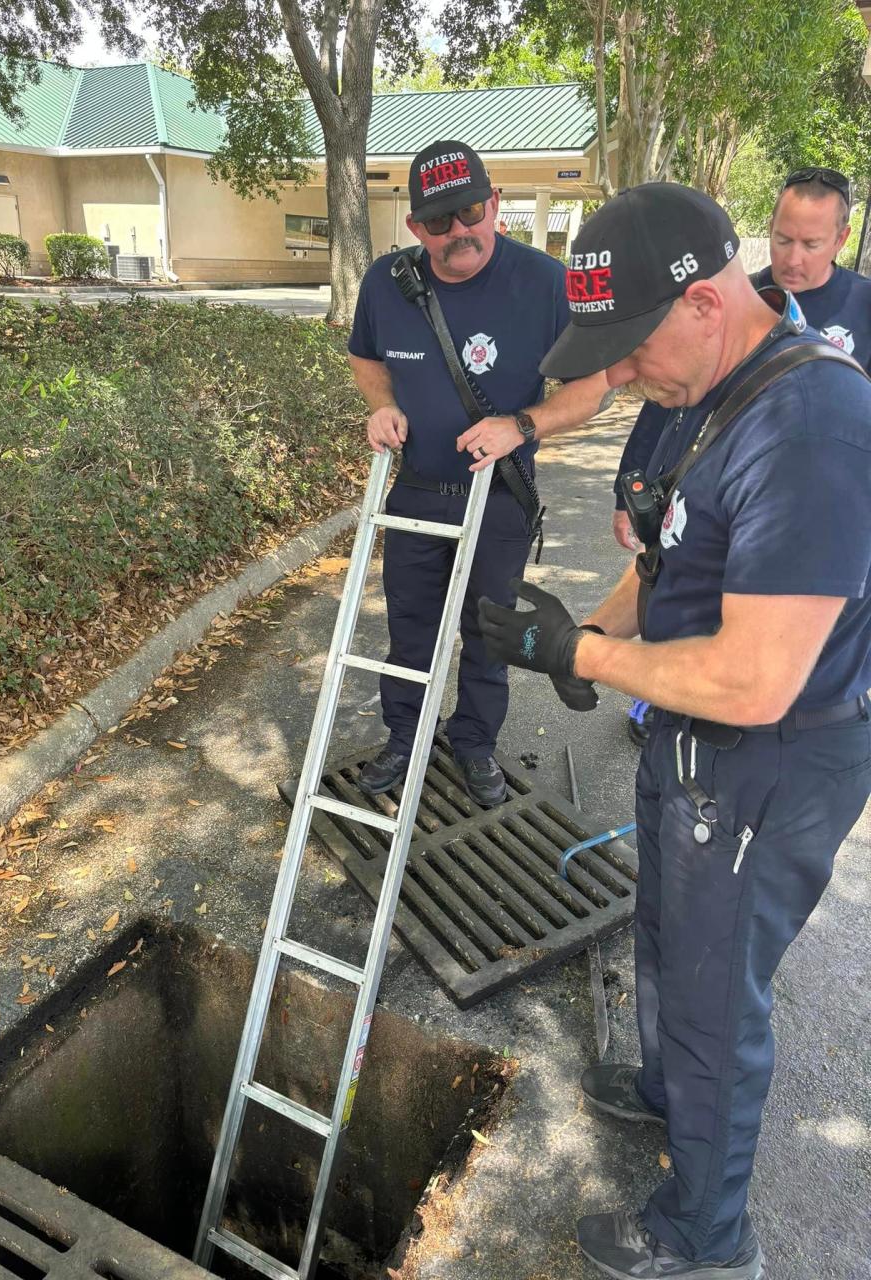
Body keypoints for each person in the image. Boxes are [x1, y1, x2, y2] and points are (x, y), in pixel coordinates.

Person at [479, 183, 871, 1279]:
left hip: (767, 759)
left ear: (702, 300)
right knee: (661, 924)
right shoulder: (713, 387)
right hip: (692, 747)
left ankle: (706, 1237)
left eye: (629, 344)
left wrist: (584, 658)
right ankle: (661, 1085)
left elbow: (755, 679)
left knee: (712, 995)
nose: (622, 373)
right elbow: (673, 547)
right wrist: (581, 627)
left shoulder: (814, 423)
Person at [347, 139, 611, 805]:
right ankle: (405, 741)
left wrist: (520, 426)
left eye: (470, 212)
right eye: (439, 222)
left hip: (501, 498)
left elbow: (591, 388)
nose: (458, 232)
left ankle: (474, 745)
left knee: (488, 631)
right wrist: (382, 408)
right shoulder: (387, 282)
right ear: (416, 228)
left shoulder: (547, 283)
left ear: (495, 203)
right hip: (415, 490)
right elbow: (367, 360)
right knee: (410, 627)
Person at [614, 165, 871, 747]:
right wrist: (631, 490)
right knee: (683, 570)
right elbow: (666, 406)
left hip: (815, 506)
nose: (793, 257)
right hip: (714, 497)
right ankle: (665, 691)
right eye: (783, 238)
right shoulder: (743, 300)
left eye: (810, 243)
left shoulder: (863, 310)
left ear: (842, 237)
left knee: (765, 656)